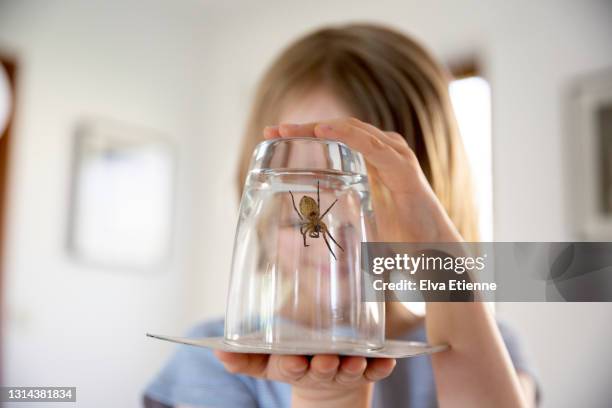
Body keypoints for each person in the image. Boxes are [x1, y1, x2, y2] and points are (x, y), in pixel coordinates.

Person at [143, 23, 539, 408]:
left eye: (371, 197)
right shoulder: (210, 361)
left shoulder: (488, 347)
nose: (339, 235)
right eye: (297, 212)